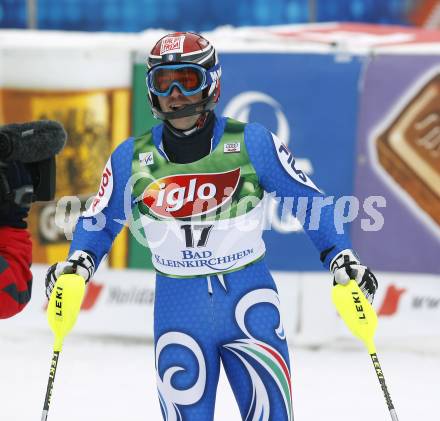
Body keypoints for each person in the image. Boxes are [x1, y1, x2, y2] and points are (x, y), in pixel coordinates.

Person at [46, 32, 378, 420]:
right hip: (178, 309)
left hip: (249, 304)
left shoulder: (253, 143)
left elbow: (310, 203)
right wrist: (79, 262)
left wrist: (341, 257)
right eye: (162, 82)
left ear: (212, 81)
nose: (174, 93)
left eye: (187, 80)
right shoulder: (131, 158)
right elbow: (99, 221)